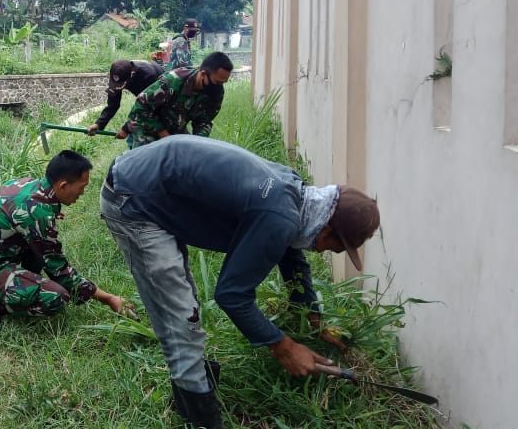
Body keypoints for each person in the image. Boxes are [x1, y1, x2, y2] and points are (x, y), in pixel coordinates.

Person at [99, 135, 380, 429]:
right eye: (333, 248)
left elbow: (292, 256)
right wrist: (283, 346)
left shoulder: (299, 198)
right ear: (327, 230)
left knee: (185, 308)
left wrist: (313, 319)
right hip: (132, 198)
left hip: (153, 180)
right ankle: (201, 419)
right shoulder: (280, 217)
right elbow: (232, 295)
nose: (323, 252)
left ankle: (190, 391)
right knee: (180, 319)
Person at [0, 150, 133, 328]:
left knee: (36, 251)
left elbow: (21, 213)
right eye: (81, 187)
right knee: (56, 297)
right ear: (63, 185)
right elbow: (60, 271)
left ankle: (18, 283)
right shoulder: (37, 213)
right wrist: (109, 298)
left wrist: (49, 214)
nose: (82, 193)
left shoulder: (28, 184)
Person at [116, 52, 233, 149]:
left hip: (175, 129)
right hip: (149, 127)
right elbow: (141, 107)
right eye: (218, 82)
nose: (220, 86)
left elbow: (204, 121)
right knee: (148, 164)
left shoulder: (214, 92)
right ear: (203, 74)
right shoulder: (173, 81)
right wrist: (164, 134)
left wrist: (198, 144)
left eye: (223, 83)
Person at [85, 59, 165, 136]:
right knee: (134, 136)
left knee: (154, 132)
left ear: (132, 75)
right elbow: (113, 105)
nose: (118, 86)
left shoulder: (147, 76)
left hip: (163, 99)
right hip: (146, 102)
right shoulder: (118, 73)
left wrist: (126, 129)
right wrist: (99, 123)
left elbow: (145, 107)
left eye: (121, 84)